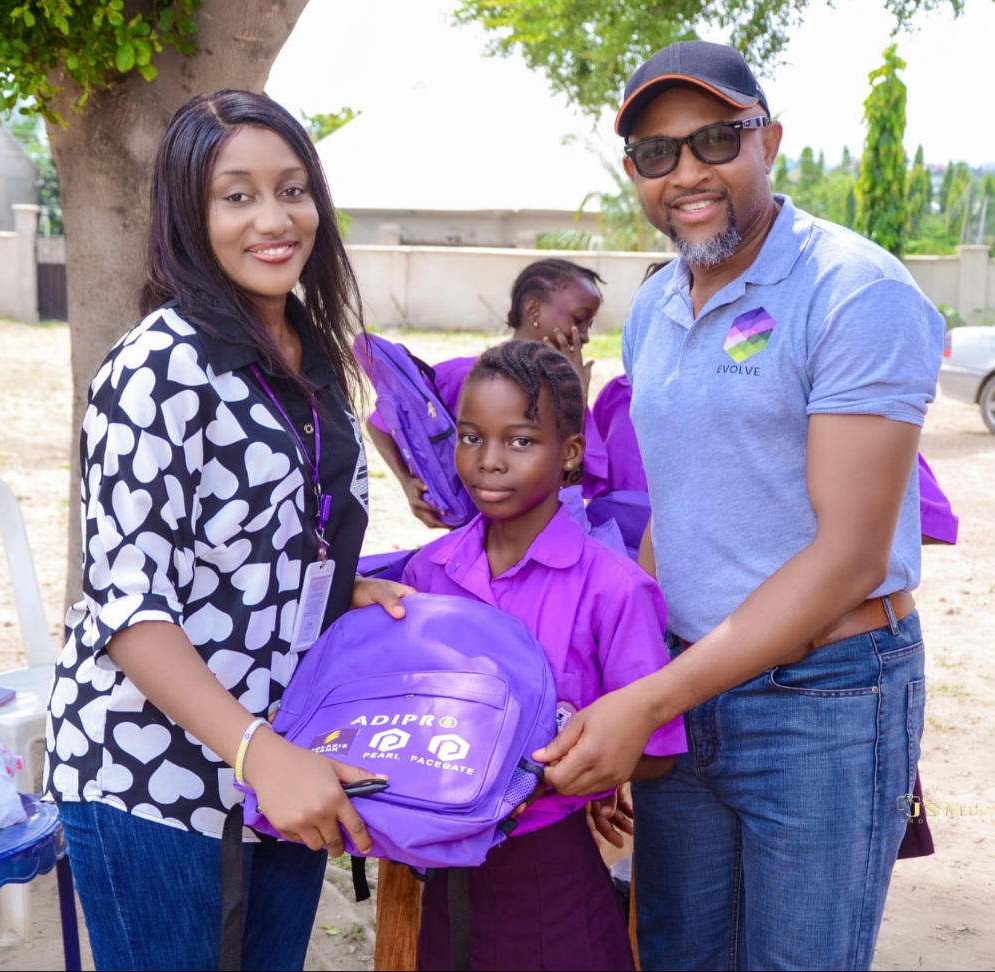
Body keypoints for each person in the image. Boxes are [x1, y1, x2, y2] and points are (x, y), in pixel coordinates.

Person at [535, 40, 945, 971]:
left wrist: (648, 701)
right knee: (679, 955)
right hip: (684, 687)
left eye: (715, 139)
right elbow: (674, 519)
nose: (686, 172)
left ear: (771, 143)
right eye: (654, 153)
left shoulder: (855, 293)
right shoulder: (655, 306)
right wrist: (623, 680)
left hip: (826, 701)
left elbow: (846, 555)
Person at [43, 90, 411, 971]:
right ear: (187, 213)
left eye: (292, 188)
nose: (274, 218)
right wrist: (258, 754)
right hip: (159, 778)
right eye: (235, 195)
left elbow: (264, 531)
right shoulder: (156, 366)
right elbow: (128, 603)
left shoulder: (305, 351)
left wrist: (331, 591)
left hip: (284, 764)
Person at [400, 340, 687, 970]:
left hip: (548, 870)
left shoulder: (615, 588)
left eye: (520, 441)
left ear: (572, 454)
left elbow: (658, 753)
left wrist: (594, 771)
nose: (489, 462)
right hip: (444, 871)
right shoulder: (430, 572)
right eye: (471, 437)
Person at [365, 258, 611, 526]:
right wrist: (407, 481)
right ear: (534, 310)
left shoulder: (566, 393)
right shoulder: (467, 376)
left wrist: (575, 400)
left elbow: (570, 482)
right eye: (579, 320)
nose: (584, 336)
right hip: (476, 544)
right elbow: (381, 421)